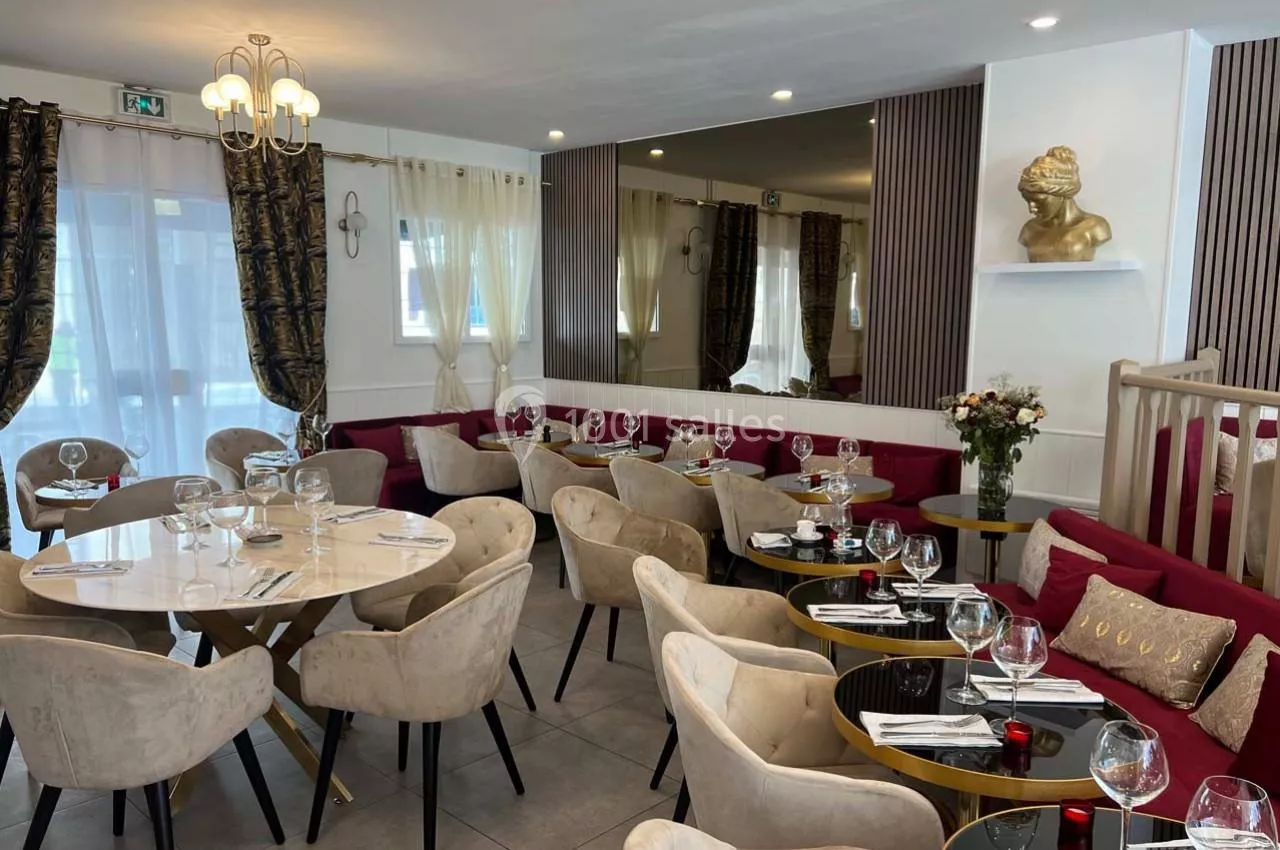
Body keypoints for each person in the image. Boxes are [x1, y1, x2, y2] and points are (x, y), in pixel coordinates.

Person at [1017, 145, 1112, 262]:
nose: (1031, 209)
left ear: (1062, 192)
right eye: (1027, 200)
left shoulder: (1095, 227)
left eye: (1039, 201)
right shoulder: (1030, 230)